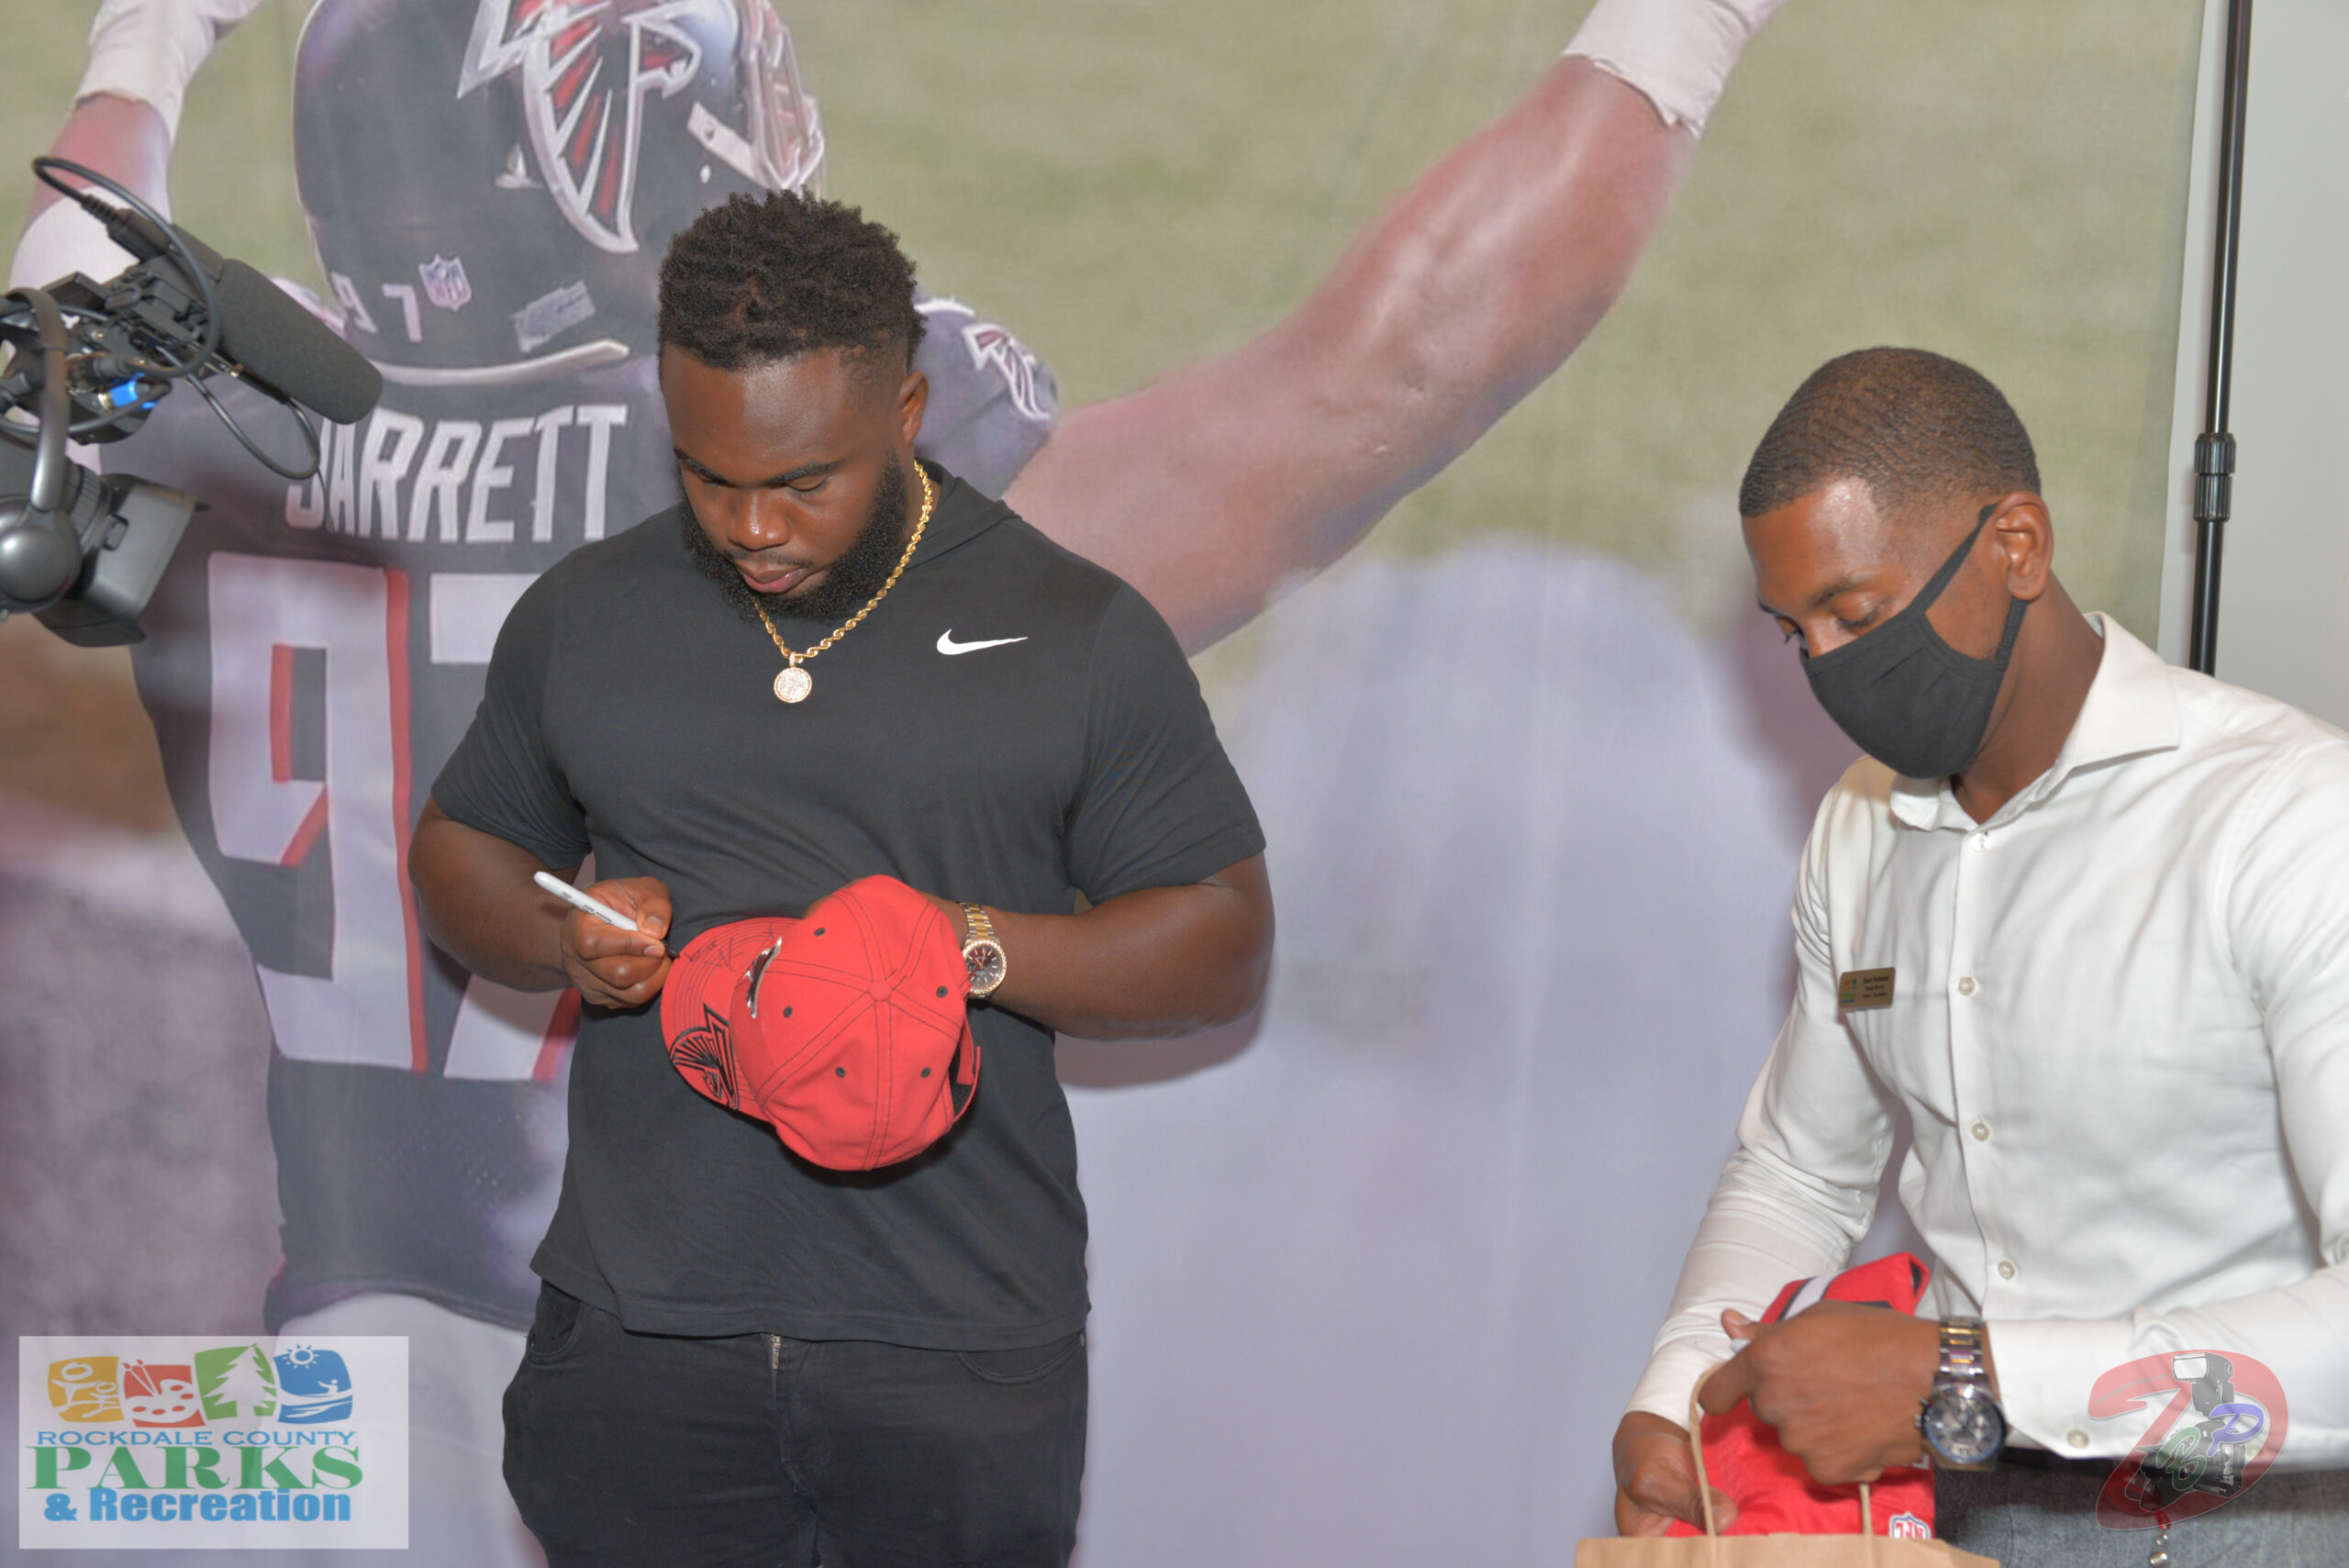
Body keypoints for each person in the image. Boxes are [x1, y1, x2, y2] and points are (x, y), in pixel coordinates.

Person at [11, 0, 1783, 1557]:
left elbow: (63, 303)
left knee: (72, 1454)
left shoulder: (201, 460)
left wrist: (140, 54)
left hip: (308, 1431)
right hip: (658, 1429)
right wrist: (1684, 29)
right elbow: (1378, 373)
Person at [408, 188, 1273, 1565]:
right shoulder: (587, 613)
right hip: (640, 1339)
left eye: (806, 481)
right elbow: (460, 846)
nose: (753, 523)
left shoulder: (1074, 629)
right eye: (709, 475)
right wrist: (558, 933)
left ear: (908, 413)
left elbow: (1223, 935)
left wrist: (959, 947)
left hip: (954, 1346)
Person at [1609, 348, 2349, 1565]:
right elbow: (1800, 1172)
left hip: (2240, 1524)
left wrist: (1970, 1377)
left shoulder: (2289, 821)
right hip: (1944, 1520)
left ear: (2016, 546)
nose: (1829, 666)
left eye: (1858, 614)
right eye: (1796, 633)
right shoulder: (1860, 827)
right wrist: (1678, 1385)